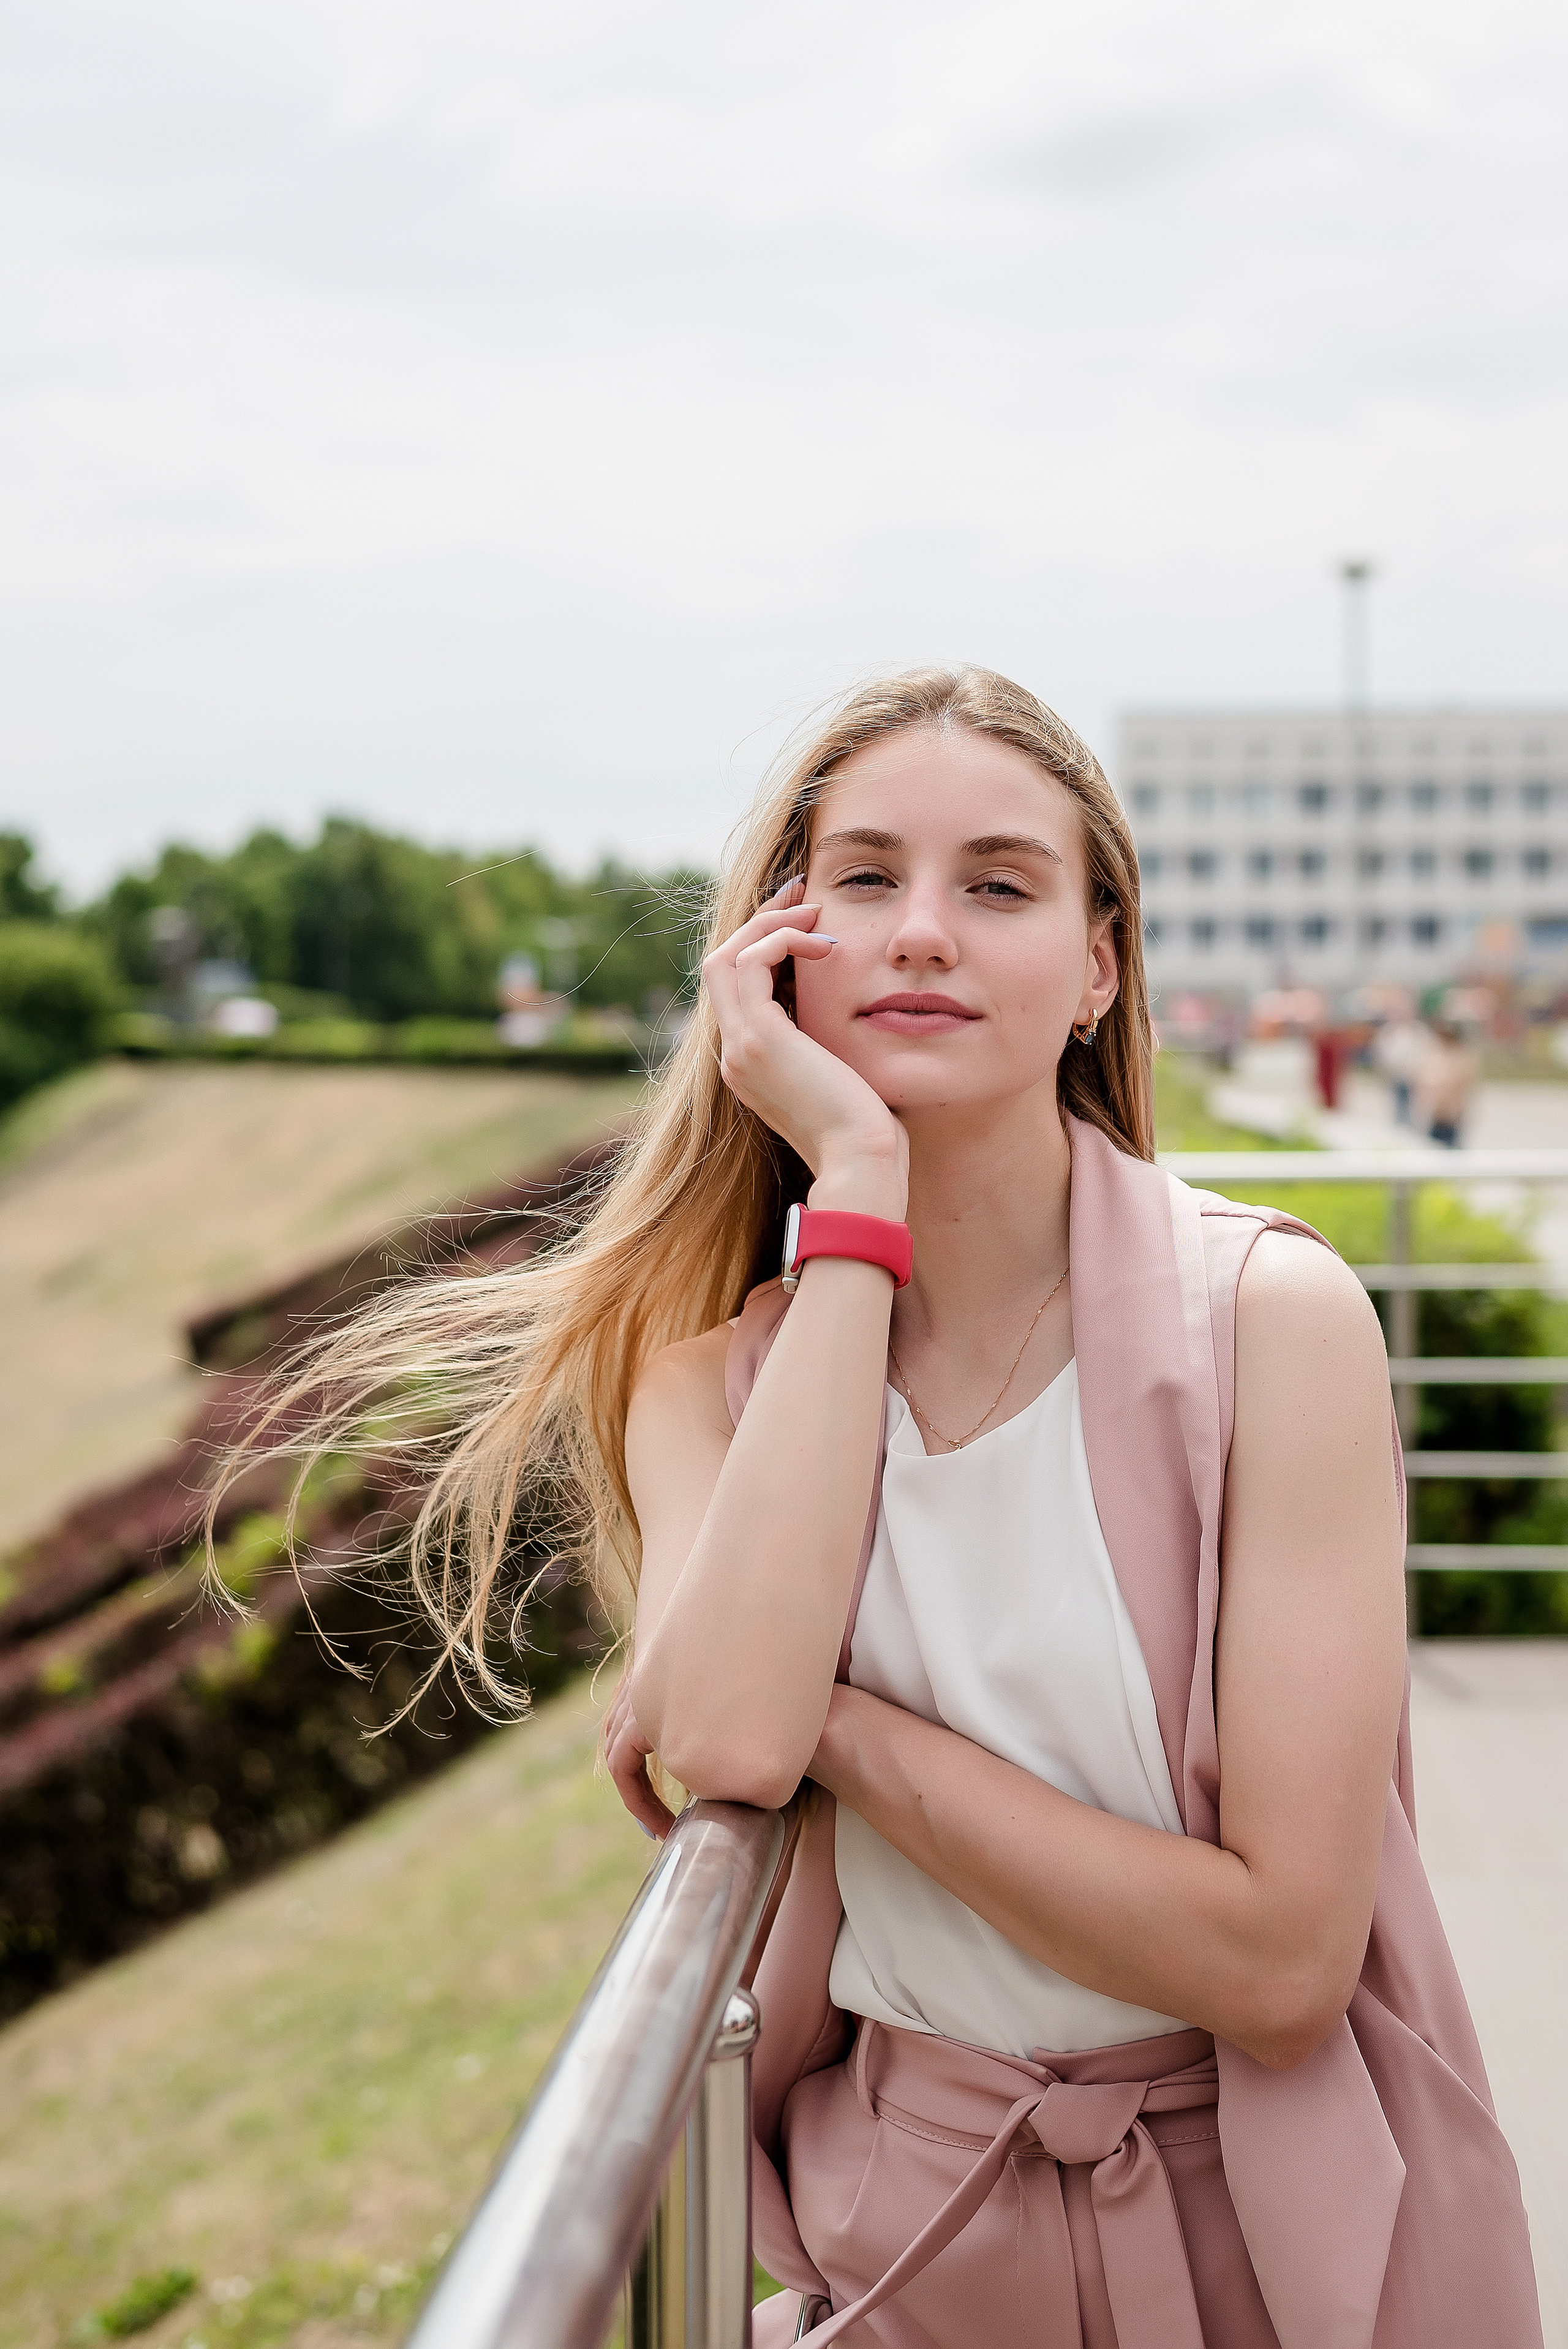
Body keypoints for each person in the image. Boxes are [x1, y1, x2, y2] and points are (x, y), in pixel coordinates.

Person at [219, 669, 1541, 2348]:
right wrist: (854, 1187)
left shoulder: (1271, 1323)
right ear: (776, 950)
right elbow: (730, 1750)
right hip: (912, 2232)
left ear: (1099, 964)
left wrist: (848, 1725)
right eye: (863, 879)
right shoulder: (700, 1379)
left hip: (1269, 2237)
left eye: (999, 884)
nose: (923, 931)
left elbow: (1280, 1956)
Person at [1419, 1017, 1478, 1148]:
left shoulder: (1461, 1057)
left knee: (1451, 1147)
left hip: (1451, 1112)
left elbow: (1460, 1084)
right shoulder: (1437, 1054)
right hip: (1435, 1111)